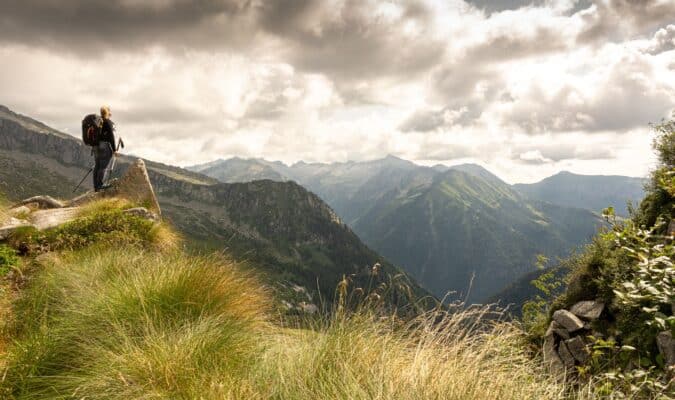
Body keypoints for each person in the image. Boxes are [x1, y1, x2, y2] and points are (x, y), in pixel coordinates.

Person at [93, 105, 117, 191]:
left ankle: (96, 186)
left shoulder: (98, 122)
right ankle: (100, 184)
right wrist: (114, 149)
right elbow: (111, 136)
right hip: (105, 146)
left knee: (97, 166)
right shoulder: (108, 122)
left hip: (96, 146)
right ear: (108, 112)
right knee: (103, 166)